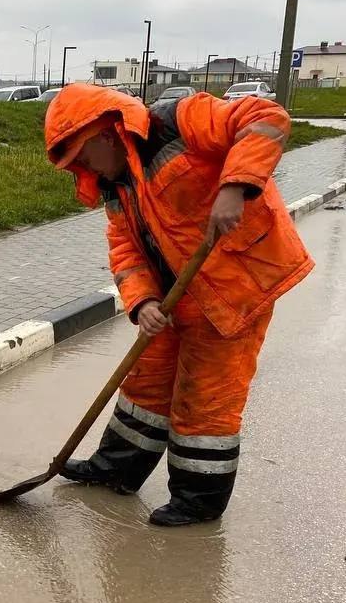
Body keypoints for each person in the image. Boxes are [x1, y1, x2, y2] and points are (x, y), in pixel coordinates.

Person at [44, 83, 313, 526]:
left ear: (105, 134)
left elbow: (265, 117)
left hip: (233, 288)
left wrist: (236, 185)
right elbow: (126, 253)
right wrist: (142, 302)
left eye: (84, 158)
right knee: (144, 386)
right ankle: (116, 469)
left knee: (204, 398)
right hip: (173, 298)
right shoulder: (117, 187)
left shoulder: (177, 123)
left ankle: (198, 499)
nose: (84, 170)